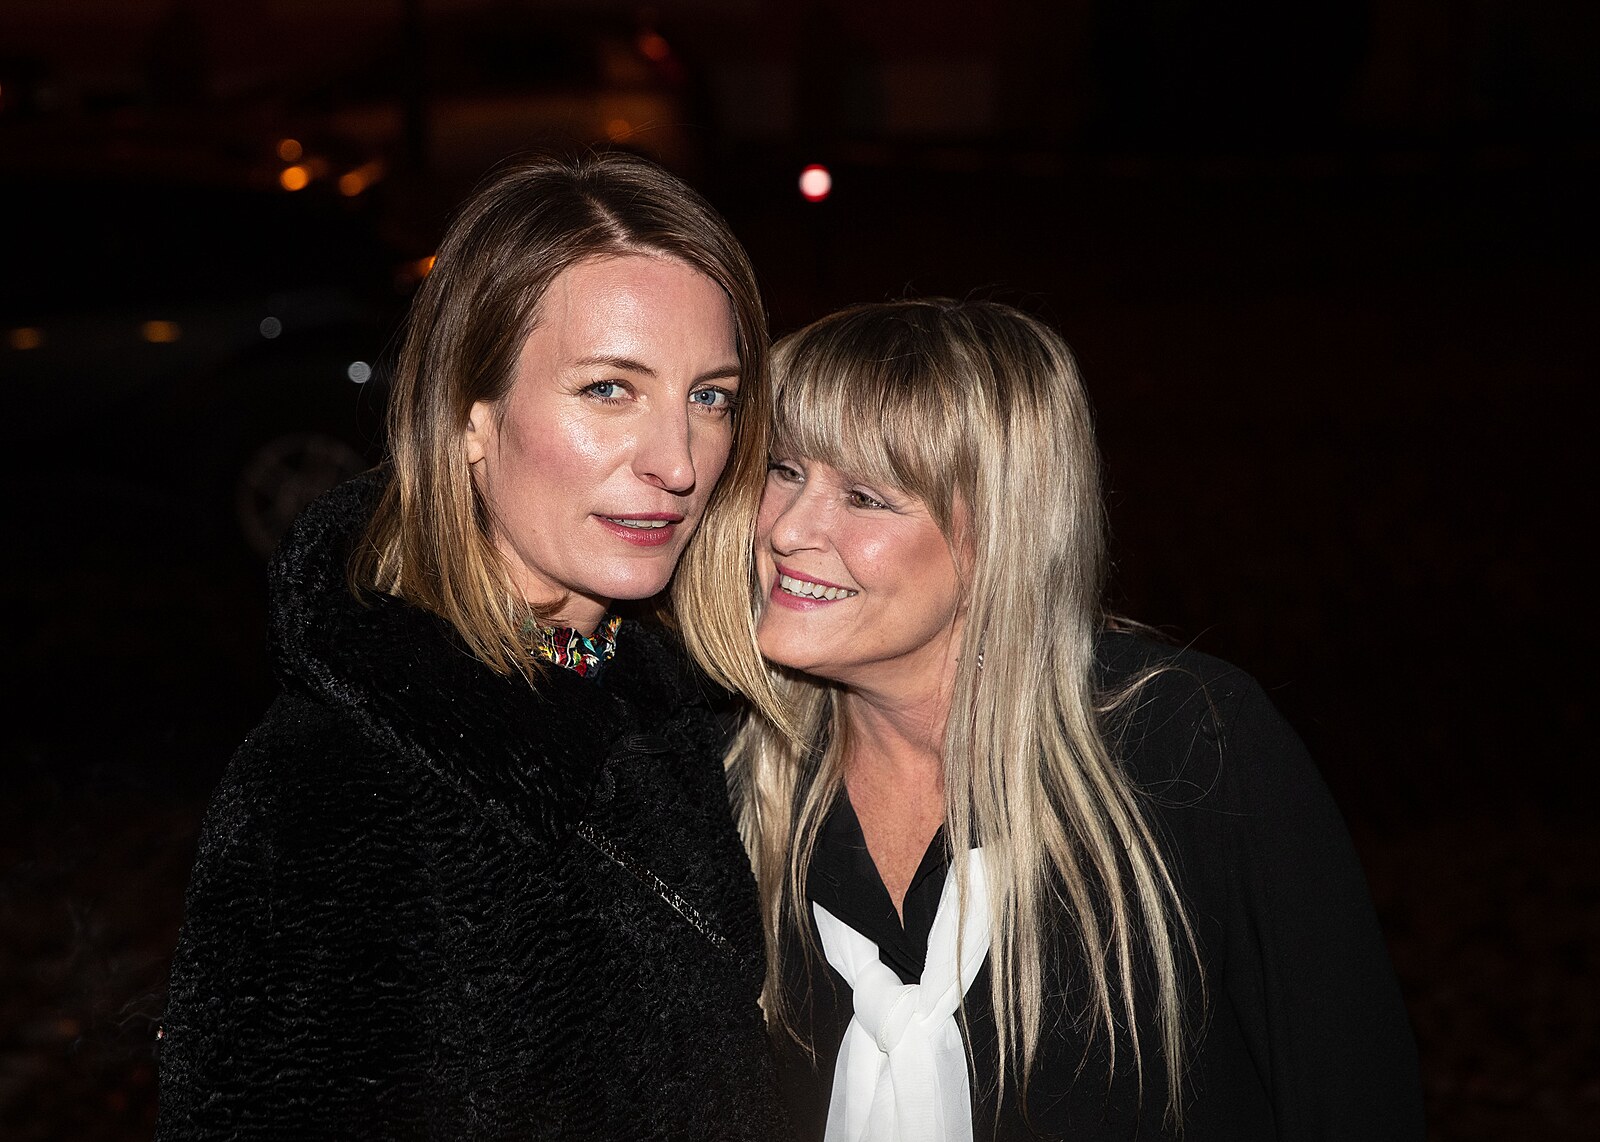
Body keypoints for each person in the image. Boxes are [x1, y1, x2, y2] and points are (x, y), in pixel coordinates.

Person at [157, 152, 793, 1139]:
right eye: (608, 389)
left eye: (710, 396)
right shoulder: (334, 786)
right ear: (469, 418)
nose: (677, 461)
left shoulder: (668, 709)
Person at [728, 298, 1424, 1140]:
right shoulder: (730, 770)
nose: (786, 528)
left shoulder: (1188, 753)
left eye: (865, 497)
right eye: (783, 469)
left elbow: (1353, 1101)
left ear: (1002, 535)